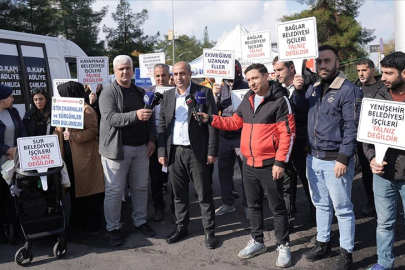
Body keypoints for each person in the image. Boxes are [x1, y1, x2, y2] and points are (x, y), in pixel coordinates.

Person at [198, 63, 295, 267]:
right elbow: (234, 123)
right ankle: (258, 241)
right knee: (253, 205)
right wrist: (210, 119)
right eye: (249, 80)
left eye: (256, 78)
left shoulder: (279, 100)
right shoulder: (248, 99)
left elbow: (288, 134)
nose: (252, 83)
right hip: (249, 163)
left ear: (266, 76)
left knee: (277, 208)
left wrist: (280, 162)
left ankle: (283, 244)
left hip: (271, 165)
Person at [292, 45, 362, 270]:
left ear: (337, 63)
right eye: (319, 61)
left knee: (342, 208)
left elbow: (352, 127)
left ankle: (346, 252)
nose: (323, 65)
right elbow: (301, 112)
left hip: (335, 160)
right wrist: (298, 91)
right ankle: (323, 242)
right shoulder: (313, 88)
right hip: (313, 158)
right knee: (320, 204)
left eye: (327, 61)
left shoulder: (348, 89)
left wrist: (343, 158)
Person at [157, 61, 218, 249]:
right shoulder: (167, 96)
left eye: (182, 73)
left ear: (190, 74)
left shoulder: (203, 92)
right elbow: (161, 124)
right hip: (174, 152)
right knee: (178, 195)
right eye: (175, 74)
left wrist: (211, 150)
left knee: (204, 194)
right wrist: (162, 152)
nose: (178, 77)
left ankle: (209, 231)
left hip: (196, 151)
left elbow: (213, 123)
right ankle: (181, 227)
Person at [99, 55, 156, 246]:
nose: (125, 72)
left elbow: (151, 118)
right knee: (114, 191)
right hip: (116, 150)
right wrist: (136, 115)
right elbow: (111, 118)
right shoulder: (108, 93)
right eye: (120, 69)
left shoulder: (141, 92)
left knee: (140, 188)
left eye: (128, 68)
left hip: (141, 148)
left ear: (133, 70)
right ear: (114, 71)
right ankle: (113, 228)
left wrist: (151, 139)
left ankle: (140, 221)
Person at [364, 51, 405, 270]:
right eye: (383, 72)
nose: (384, 78)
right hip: (383, 174)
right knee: (384, 223)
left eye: (389, 73)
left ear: (404, 73)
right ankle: (384, 263)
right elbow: (367, 138)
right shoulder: (377, 97)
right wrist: (372, 159)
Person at [55, 81, 105, 233]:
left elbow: (93, 131)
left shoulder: (87, 110)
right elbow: (58, 129)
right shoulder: (63, 108)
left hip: (85, 156)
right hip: (70, 156)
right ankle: (77, 221)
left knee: (88, 190)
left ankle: (91, 223)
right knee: (75, 189)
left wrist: (74, 135)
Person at [272, 56, 316, 227]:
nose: (276, 74)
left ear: (292, 68)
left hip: (303, 145)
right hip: (284, 147)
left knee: (309, 185)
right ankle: (289, 218)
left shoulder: (309, 86)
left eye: (279, 70)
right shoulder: (275, 88)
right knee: (286, 185)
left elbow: (304, 113)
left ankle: (318, 222)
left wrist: (298, 91)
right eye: (274, 70)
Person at [211, 60, 249, 219]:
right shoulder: (220, 87)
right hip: (224, 135)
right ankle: (227, 203)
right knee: (224, 172)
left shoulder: (247, 86)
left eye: (233, 69)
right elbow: (214, 110)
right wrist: (214, 95)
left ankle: (249, 205)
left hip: (242, 135)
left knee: (247, 173)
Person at [355, 58, 385, 216]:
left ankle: (385, 203)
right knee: (366, 172)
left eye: (364, 70)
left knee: (383, 169)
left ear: (372, 70)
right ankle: (371, 202)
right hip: (362, 139)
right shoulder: (355, 88)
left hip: (382, 136)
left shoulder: (383, 87)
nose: (361, 73)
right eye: (358, 70)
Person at [144, 63, 173, 222]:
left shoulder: (177, 92)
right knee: (155, 177)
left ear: (169, 76)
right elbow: (145, 118)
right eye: (158, 76)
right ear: (153, 77)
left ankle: (176, 209)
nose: (161, 78)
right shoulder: (148, 93)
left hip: (173, 139)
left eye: (164, 75)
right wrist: (150, 139)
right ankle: (158, 208)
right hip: (154, 139)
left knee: (175, 177)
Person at [23, 87, 57, 214]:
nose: (38, 102)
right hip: (34, 155)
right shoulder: (28, 115)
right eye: (35, 99)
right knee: (29, 181)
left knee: (48, 182)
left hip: (50, 154)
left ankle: (52, 205)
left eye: (41, 99)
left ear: (46, 99)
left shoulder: (54, 114)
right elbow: (24, 134)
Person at [0, 85, 26, 244]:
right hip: (2, 158)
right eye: (10, 96)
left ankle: (14, 226)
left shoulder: (13, 112)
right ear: (2, 99)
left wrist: (18, 147)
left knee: (13, 195)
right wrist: (6, 149)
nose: (13, 99)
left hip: (14, 160)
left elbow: (22, 130)